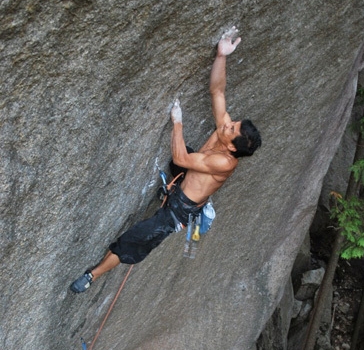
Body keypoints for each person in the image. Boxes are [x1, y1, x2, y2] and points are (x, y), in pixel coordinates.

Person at [70, 27, 261, 293]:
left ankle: (92, 276)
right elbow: (217, 92)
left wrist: (178, 122)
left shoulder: (225, 163)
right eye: (233, 123)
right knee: (190, 157)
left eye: (231, 128)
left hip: (178, 211)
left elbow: (180, 156)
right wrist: (221, 55)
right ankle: (175, 182)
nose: (228, 123)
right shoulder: (225, 134)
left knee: (136, 239)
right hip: (186, 175)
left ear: (231, 147)